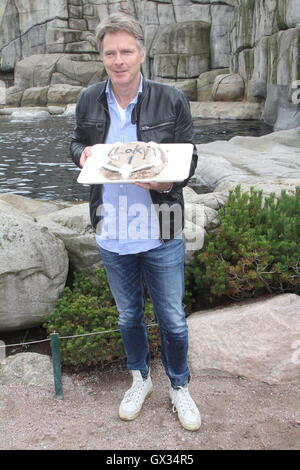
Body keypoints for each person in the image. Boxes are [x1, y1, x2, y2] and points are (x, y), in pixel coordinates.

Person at [70, 12, 201, 431]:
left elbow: (189, 158)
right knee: (128, 317)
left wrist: (168, 179)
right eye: (110, 52)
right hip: (112, 230)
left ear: (142, 53)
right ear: (102, 57)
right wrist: (82, 155)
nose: (119, 59)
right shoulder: (89, 98)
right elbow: (75, 141)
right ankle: (140, 379)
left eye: (126, 51)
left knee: (172, 319)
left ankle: (179, 386)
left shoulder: (171, 98)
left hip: (161, 227)